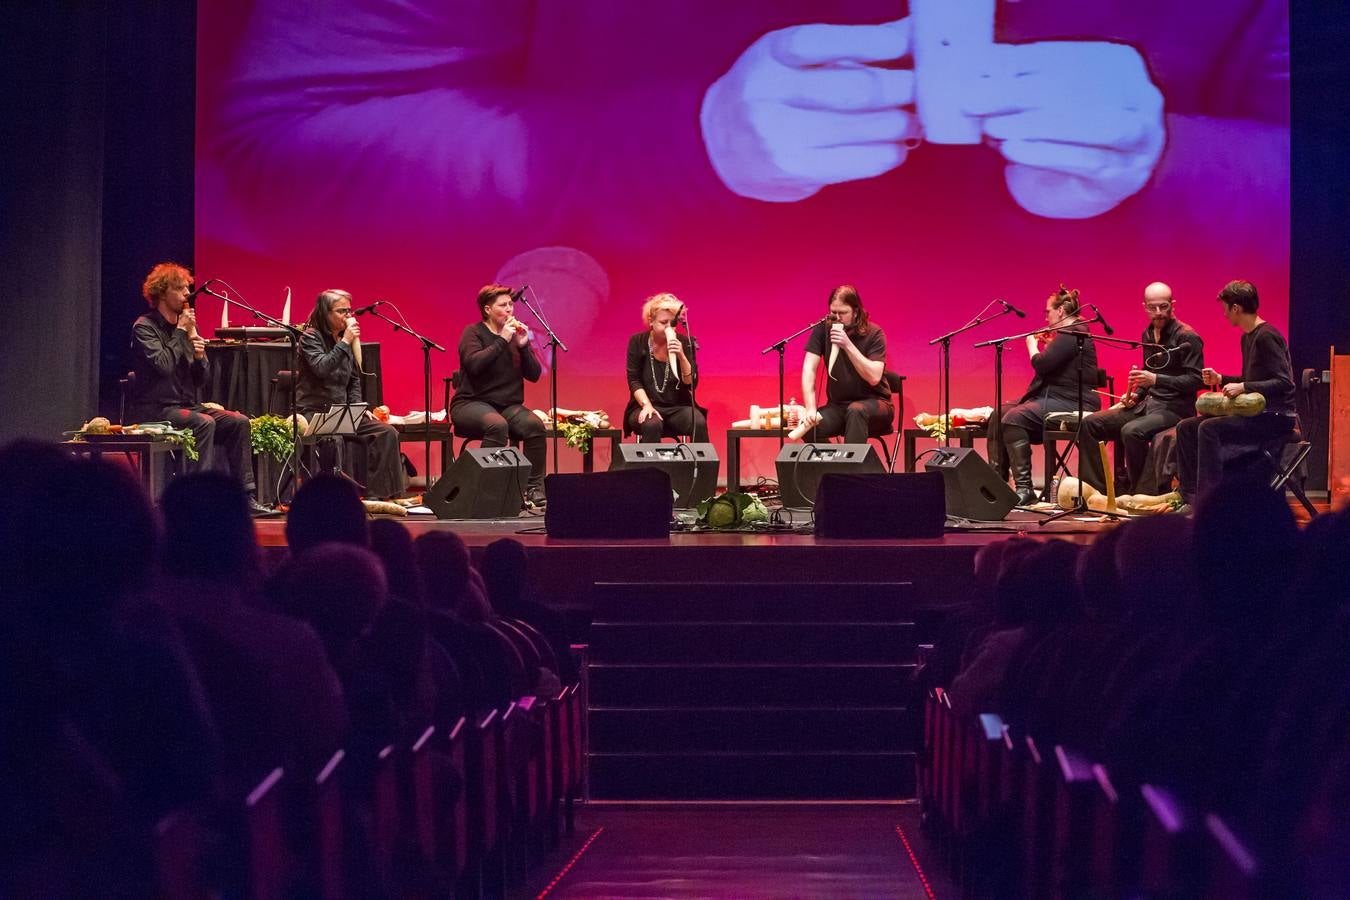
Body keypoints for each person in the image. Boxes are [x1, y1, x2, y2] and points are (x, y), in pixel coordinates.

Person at [128, 262, 273, 515]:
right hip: (155, 409)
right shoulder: (144, 327)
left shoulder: (185, 330)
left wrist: (199, 358)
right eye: (180, 288)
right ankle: (199, 500)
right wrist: (182, 333)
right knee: (203, 423)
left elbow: (200, 380)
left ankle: (245, 497)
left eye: (188, 288)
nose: (187, 294)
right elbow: (162, 365)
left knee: (238, 422)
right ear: (162, 293)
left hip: (185, 405)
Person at [1174, 280, 1296, 508]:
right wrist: (1222, 379)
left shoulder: (1267, 336)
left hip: (1275, 417)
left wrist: (1245, 388)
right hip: (1255, 412)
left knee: (1208, 428)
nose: (1224, 315)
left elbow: (1284, 382)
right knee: (1186, 427)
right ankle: (1189, 497)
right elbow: (1251, 379)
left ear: (1236, 308)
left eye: (1225, 309)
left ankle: (1209, 505)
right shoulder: (1247, 337)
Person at [1077, 282, 1204, 494]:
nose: (1158, 312)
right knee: (1090, 423)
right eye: (1152, 307)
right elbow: (1147, 377)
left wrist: (1156, 380)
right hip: (1148, 405)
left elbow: (1195, 380)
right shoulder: (1146, 334)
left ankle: (1142, 493)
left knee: (1132, 431)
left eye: (1163, 307)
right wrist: (1135, 395)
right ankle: (1099, 492)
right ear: (1144, 306)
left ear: (1173, 304)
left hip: (1175, 408)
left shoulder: (1187, 336)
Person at [993, 286, 1100, 506]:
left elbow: (1042, 364)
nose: (1046, 317)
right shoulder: (1067, 334)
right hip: (1055, 396)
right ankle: (998, 485)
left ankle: (1025, 489)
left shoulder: (1073, 330)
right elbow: (1059, 362)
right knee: (998, 414)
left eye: (1047, 312)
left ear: (1061, 311)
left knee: (1014, 418)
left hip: (1072, 400)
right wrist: (1050, 345)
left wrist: (1032, 345)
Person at [296, 289, 407, 499]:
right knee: (333, 437)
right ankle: (332, 497)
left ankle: (379, 495)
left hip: (343, 411)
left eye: (349, 311)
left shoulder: (342, 340)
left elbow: (353, 379)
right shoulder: (310, 337)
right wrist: (346, 342)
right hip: (315, 411)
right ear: (325, 313)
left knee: (386, 432)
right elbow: (321, 368)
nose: (348, 316)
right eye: (341, 311)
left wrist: (358, 407)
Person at [450, 284, 547, 509]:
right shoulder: (473, 332)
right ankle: (482, 487)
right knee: (497, 425)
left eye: (511, 305)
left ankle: (533, 488)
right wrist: (502, 339)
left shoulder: (515, 337)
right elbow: (474, 365)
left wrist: (524, 346)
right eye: (503, 306)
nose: (510, 310)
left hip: (507, 406)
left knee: (535, 425)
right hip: (471, 403)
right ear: (487, 309)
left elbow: (533, 375)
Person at [799, 284, 892, 443]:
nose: (837, 317)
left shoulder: (874, 333)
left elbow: (874, 377)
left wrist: (847, 344)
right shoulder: (823, 329)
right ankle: (832, 465)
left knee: (856, 411)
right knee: (807, 427)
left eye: (843, 313)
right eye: (833, 312)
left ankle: (850, 468)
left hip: (875, 405)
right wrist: (810, 409)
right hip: (839, 406)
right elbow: (809, 370)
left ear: (856, 312)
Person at [623, 293, 707, 442]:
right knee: (651, 423)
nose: (669, 327)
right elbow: (634, 380)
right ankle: (650, 466)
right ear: (651, 321)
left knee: (698, 421)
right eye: (663, 322)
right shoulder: (638, 342)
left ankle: (698, 465)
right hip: (645, 405)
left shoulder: (684, 342)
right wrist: (647, 405)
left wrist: (681, 355)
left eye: (672, 323)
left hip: (678, 407)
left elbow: (690, 384)